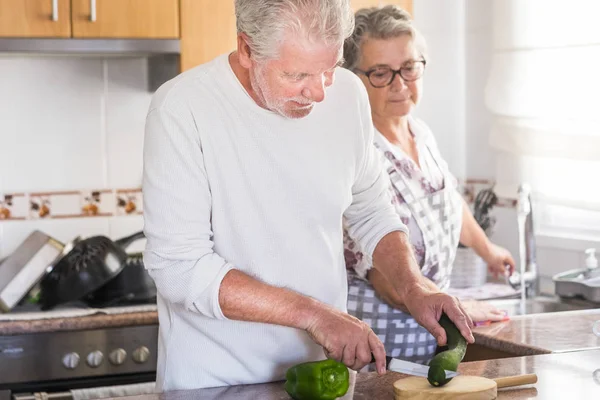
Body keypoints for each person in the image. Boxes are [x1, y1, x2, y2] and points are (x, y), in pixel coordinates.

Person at [143, 0, 473, 391]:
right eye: (297, 74)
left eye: (329, 69)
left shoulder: (349, 94)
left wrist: (413, 286)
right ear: (247, 49)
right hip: (218, 380)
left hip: (325, 377)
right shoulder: (183, 107)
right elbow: (179, 268)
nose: (318, 93)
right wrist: (314, 315)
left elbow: (371, 210)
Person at [342, 5, 515, 365]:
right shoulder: (355, 153)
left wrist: (488, 251)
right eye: (380, 73)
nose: (400, 84)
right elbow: (384, 275)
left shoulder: (421, 135)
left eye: (409, 67)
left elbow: (448, 199)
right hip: (379, 344)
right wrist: (454, 304)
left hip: (429, 335)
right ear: (353, 78)